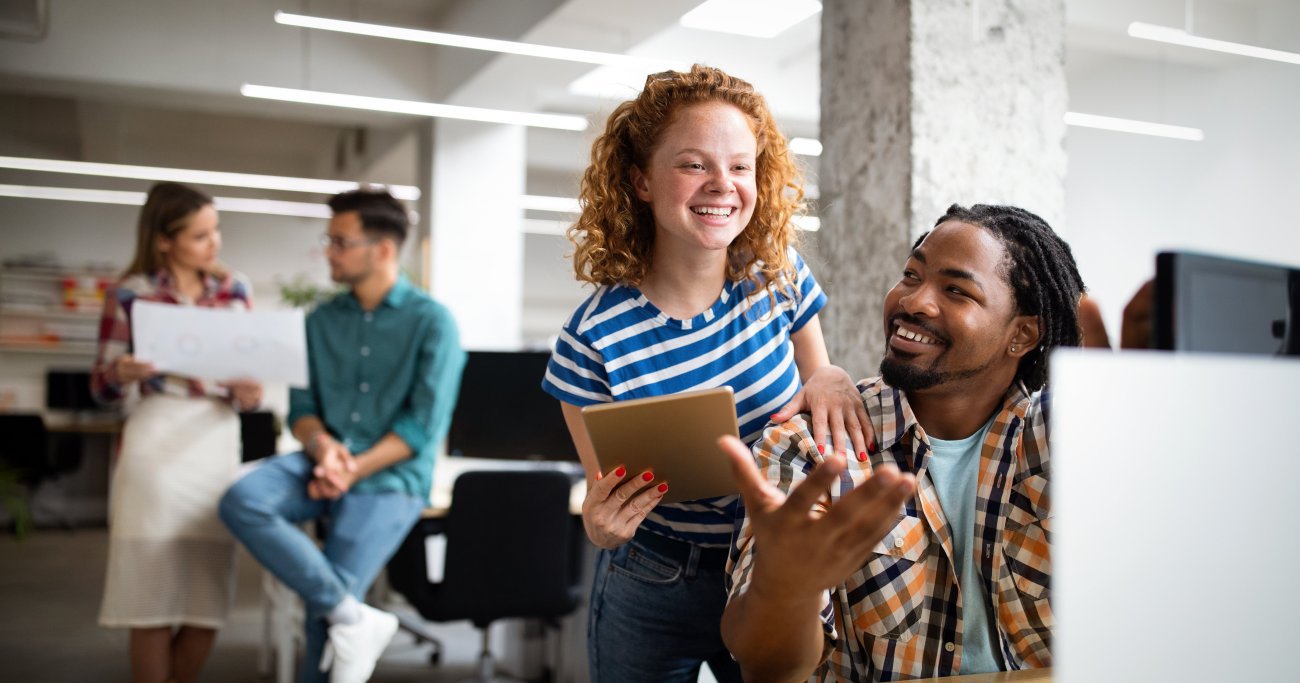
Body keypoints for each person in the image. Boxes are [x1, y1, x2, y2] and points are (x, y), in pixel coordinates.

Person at [541, 64, 869, 683]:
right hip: (652, 574)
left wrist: (828, 376)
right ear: (639, 180)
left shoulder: (779, 277)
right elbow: (601, 502)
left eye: (740, 166)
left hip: (768, 568)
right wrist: (602, 525)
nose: (723, 184)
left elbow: (818, 381)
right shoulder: (591, 338)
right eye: (694, 164)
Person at [722, 203, 1085, 681]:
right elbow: (767, 666)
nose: (913, 301)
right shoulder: (809, 449)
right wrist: (785, 588)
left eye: (956, 290)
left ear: (1021, 335)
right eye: (911, 275)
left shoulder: (1069, 439)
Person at [218, 189, 465, 683]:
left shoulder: (432, 322)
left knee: (321, 614)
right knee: (242, 500)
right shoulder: (321, 321)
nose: (328, 251)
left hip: (391, 477)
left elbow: (421, 427)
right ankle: (356, 619)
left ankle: (341, 616)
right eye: (329, 240)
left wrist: (349, 468)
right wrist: (325, 449)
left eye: (339, 241)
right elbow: (303, 411)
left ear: (383, 249)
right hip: (321, 459)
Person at [94, 181, 264, 683]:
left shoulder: (236, 291)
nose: (215, 244)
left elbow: (246, 375)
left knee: (205, 599)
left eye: (216, 231)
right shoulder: (129, 294)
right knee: (149, 596)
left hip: (214, 442)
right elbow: (100, 385)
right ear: (164, 240)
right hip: (154, 441)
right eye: (200, 236)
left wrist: (249, 394)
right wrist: (119, 374)